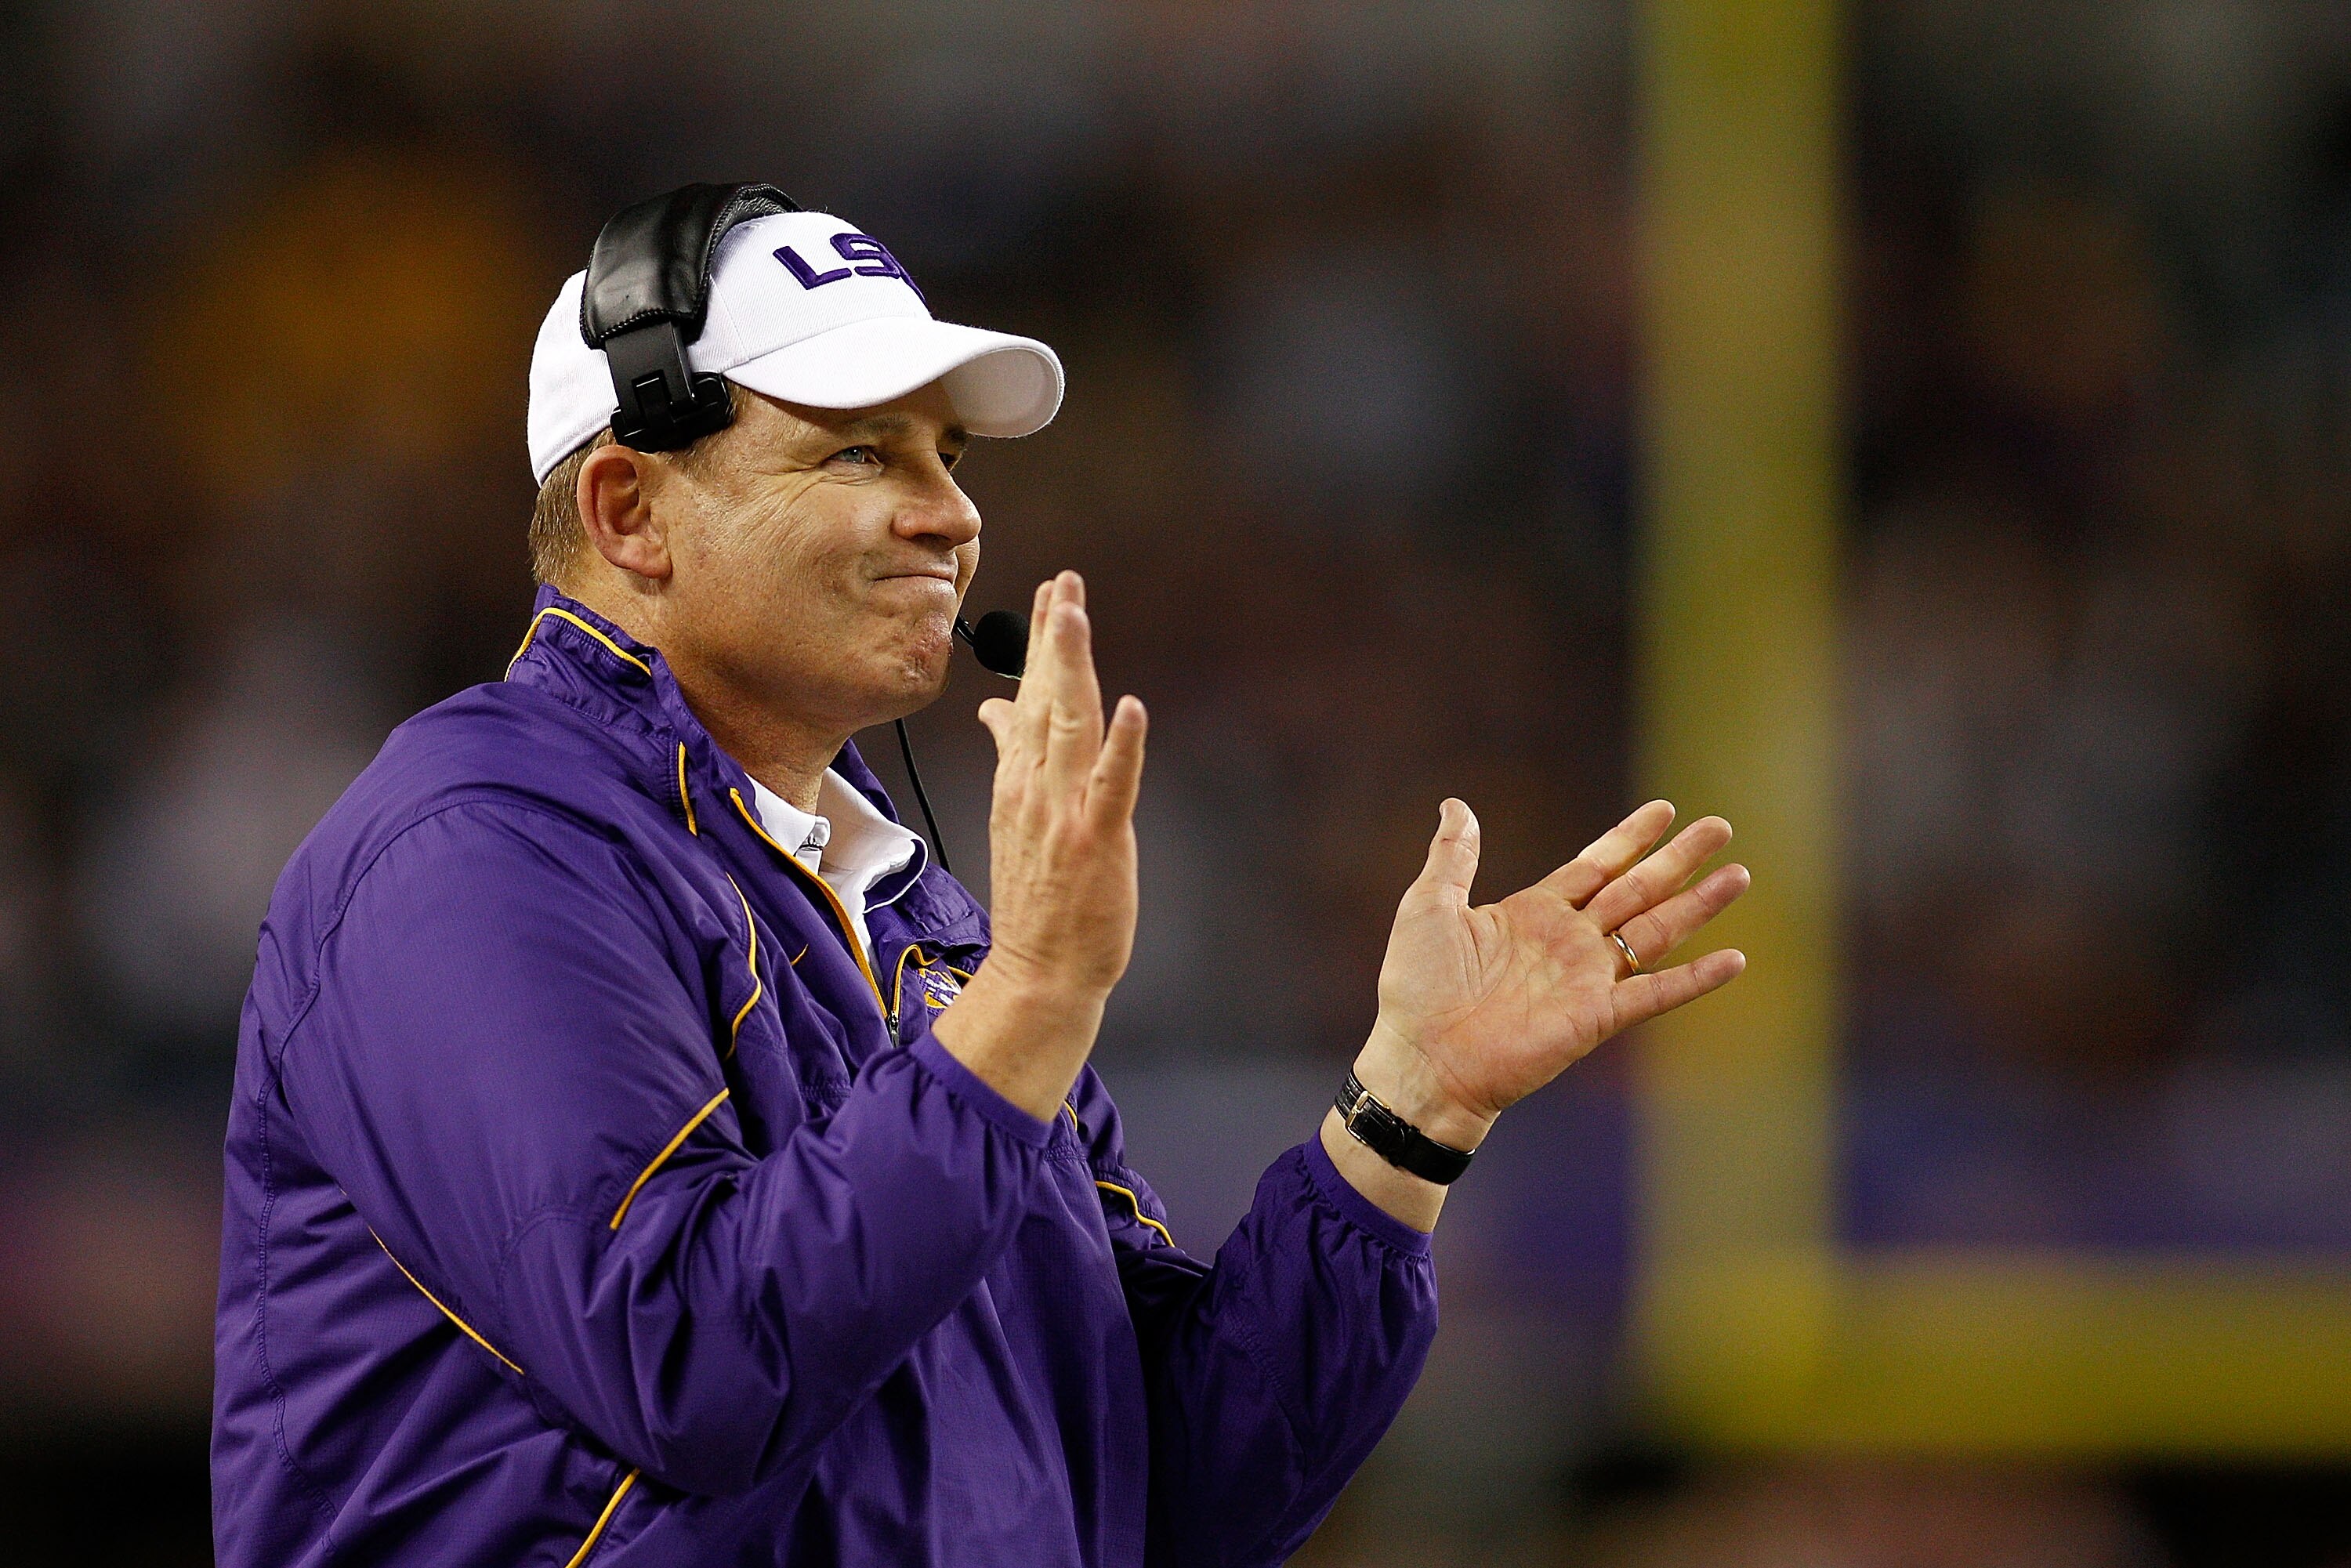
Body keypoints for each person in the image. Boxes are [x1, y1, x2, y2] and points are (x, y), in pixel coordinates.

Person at [211, 197, 1750, 1567]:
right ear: (630, 512)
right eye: (859, 449)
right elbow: (688, 1357)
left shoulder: (906, 908)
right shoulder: (473, 852)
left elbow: (1171, 1486)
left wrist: (1407, 1112)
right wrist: (1028, 1005)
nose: (952, 510)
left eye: (949, 454)